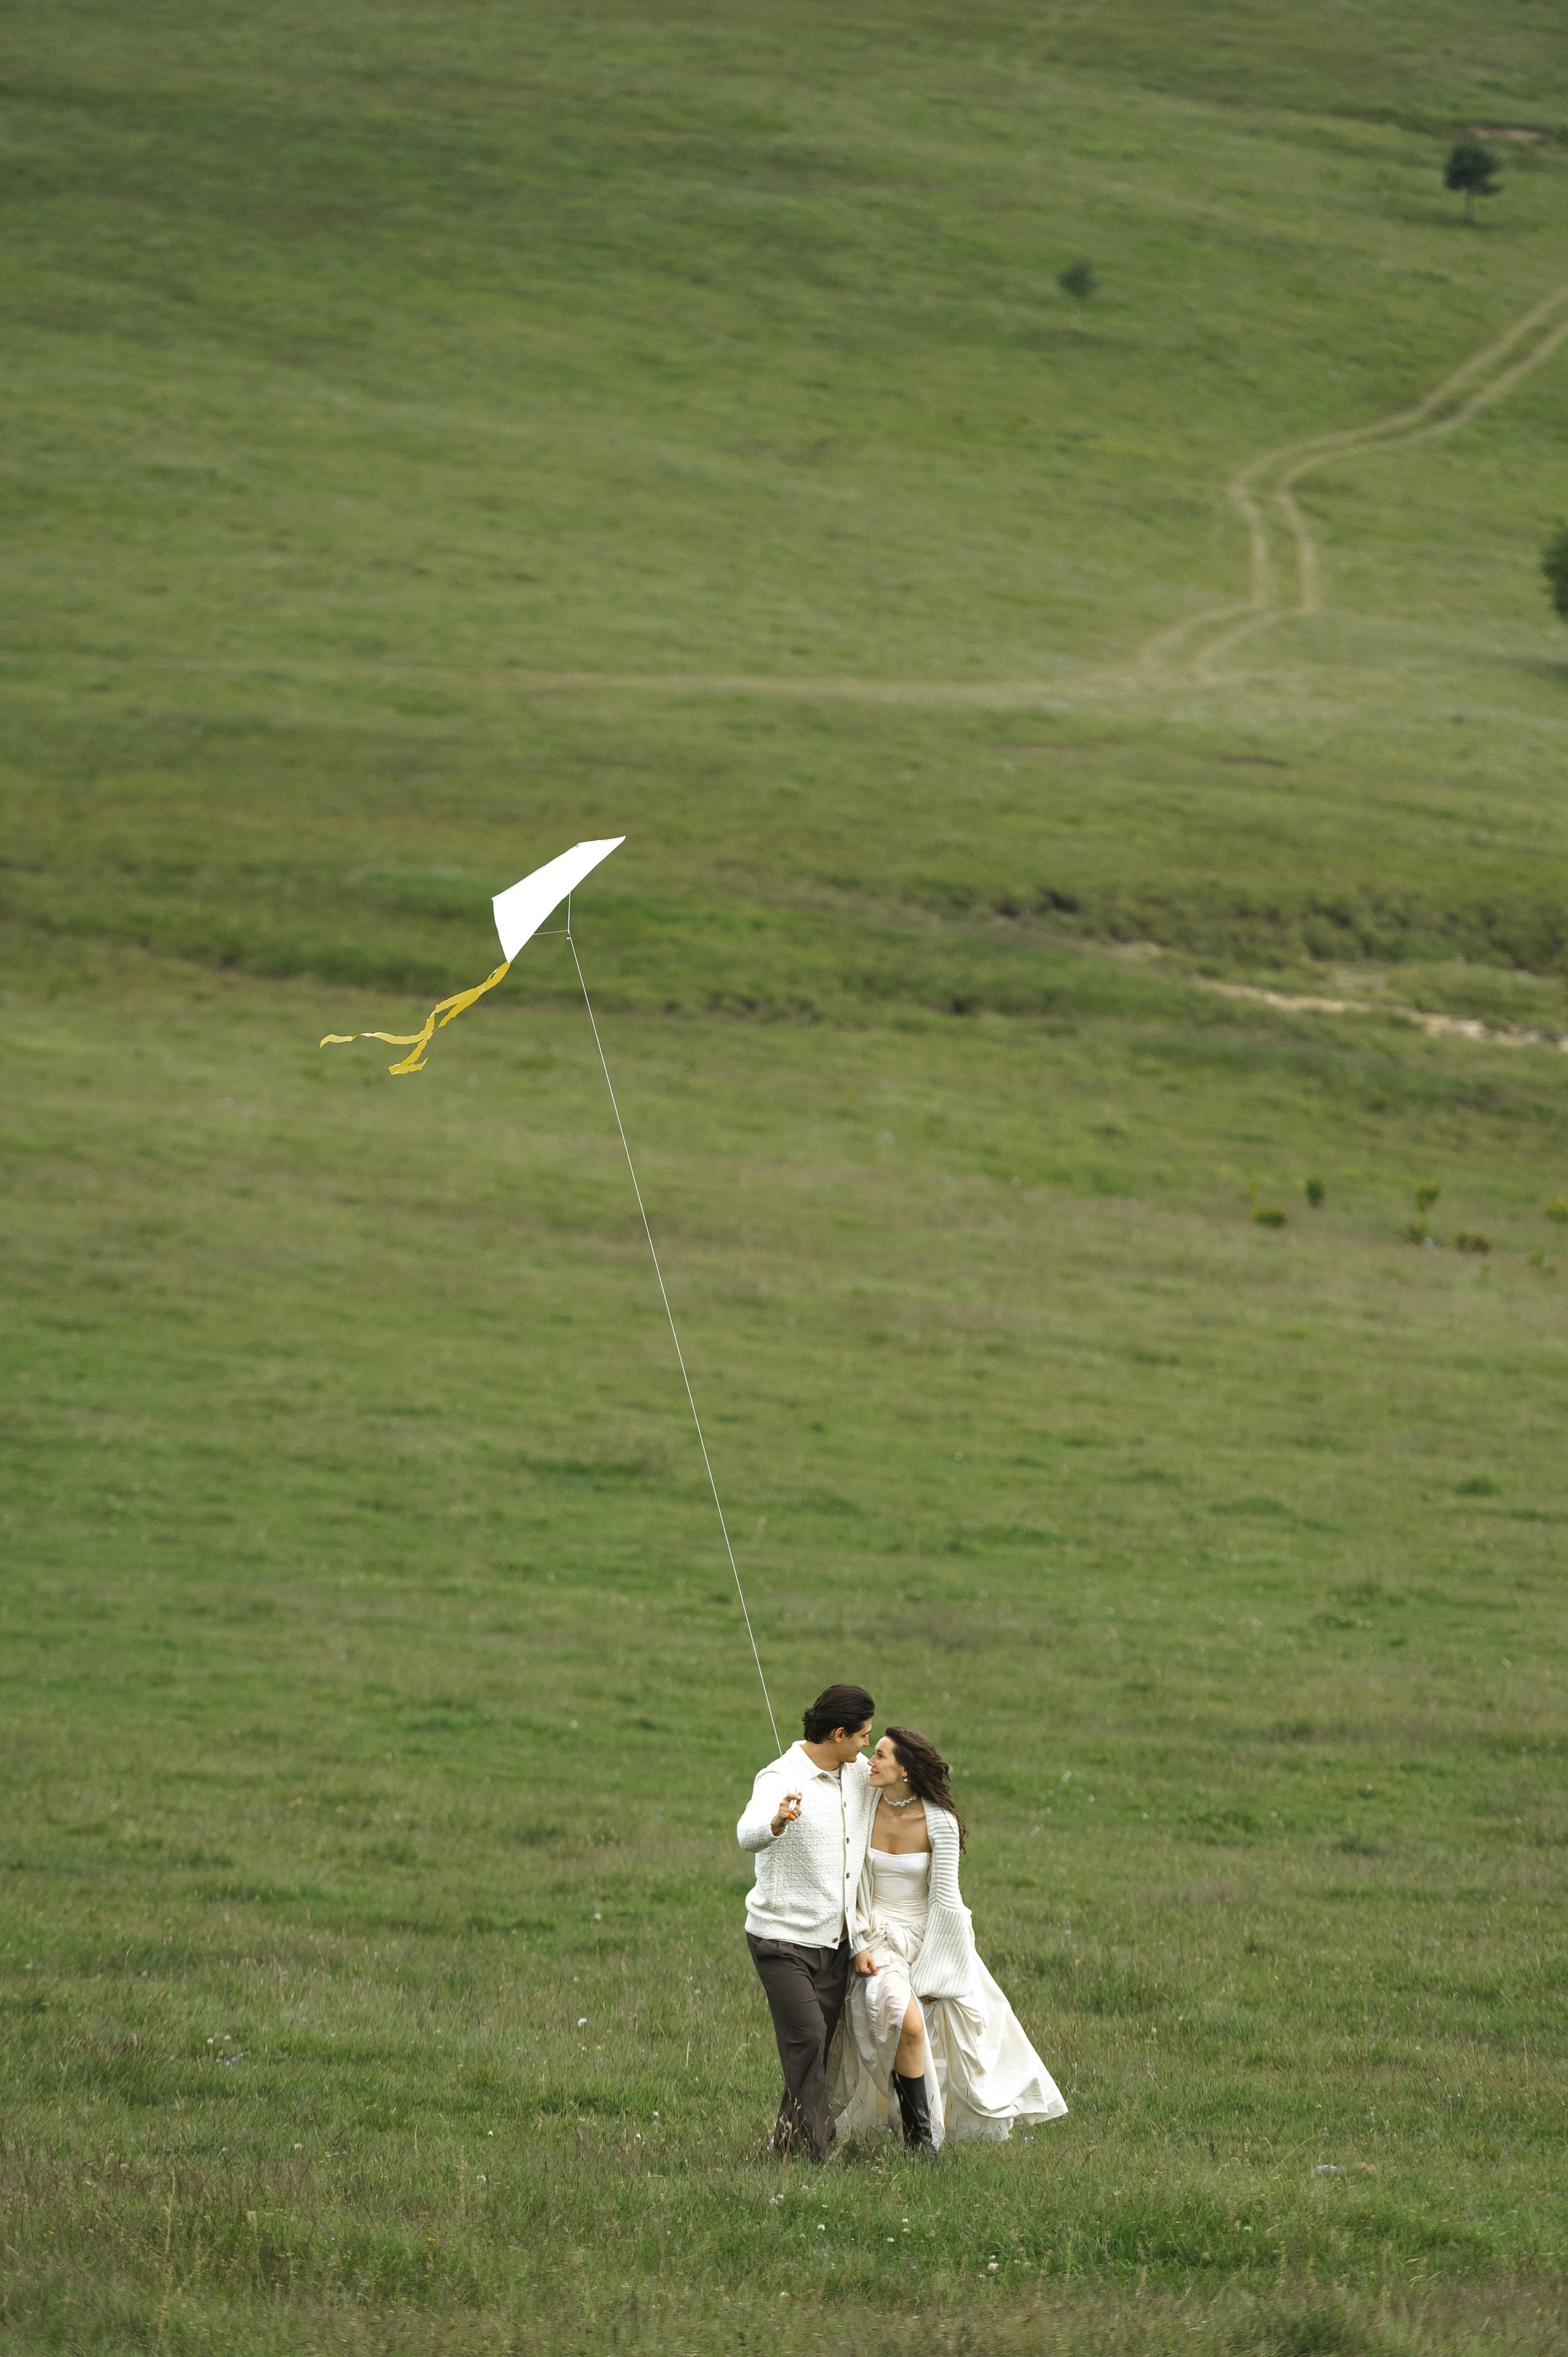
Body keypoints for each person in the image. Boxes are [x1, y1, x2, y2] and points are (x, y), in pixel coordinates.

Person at [831, 1725, 1068, 2154]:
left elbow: (946, 1903)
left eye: (881, 1755)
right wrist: (858, 1943)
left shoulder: (938, 1821)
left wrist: (935, 1973)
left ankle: (922, 2145)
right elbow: (848, 1882)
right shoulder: (862, 1804)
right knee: (906, 2021)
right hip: (876, 1937)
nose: (872, 1761)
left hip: (927, 1939)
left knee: (950, 2036)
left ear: (904, 1768)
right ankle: (920, 2135)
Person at [736, 1683, 880, 2160]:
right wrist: (775, 1823)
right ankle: (822, 2153)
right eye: (862, 1737)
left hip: (835, 1943)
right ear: (838, 1734)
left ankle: (786, 2145)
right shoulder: (780, 1776)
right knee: (810, 2039)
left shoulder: (858, 1776)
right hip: (781, 1940)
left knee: (812, 2054)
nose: (867, 1746)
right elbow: (746, 1833)